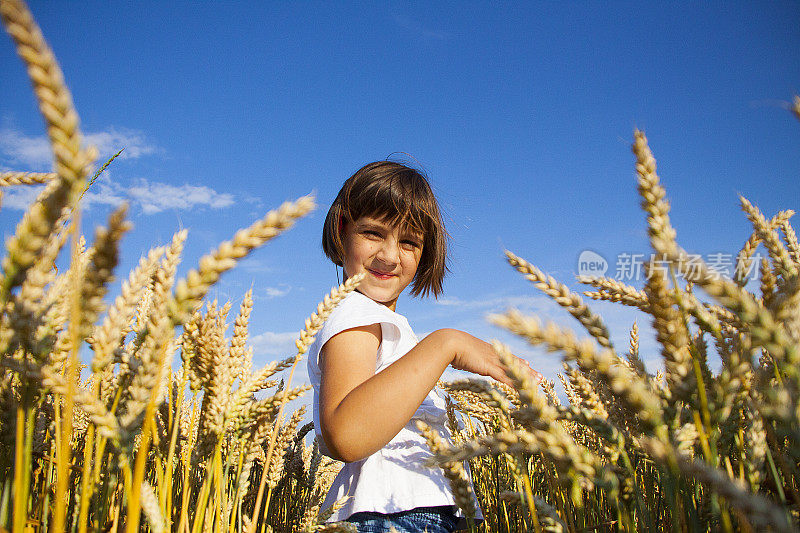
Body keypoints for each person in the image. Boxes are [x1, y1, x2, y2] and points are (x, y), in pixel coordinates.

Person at [307, 160, 542, 533]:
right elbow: (346, 434)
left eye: (408, 241)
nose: (389, 255)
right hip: (390, 516)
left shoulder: (382, 322)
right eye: (372, 233)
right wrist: (447, 344)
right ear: (342, 229)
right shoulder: (355, 314)